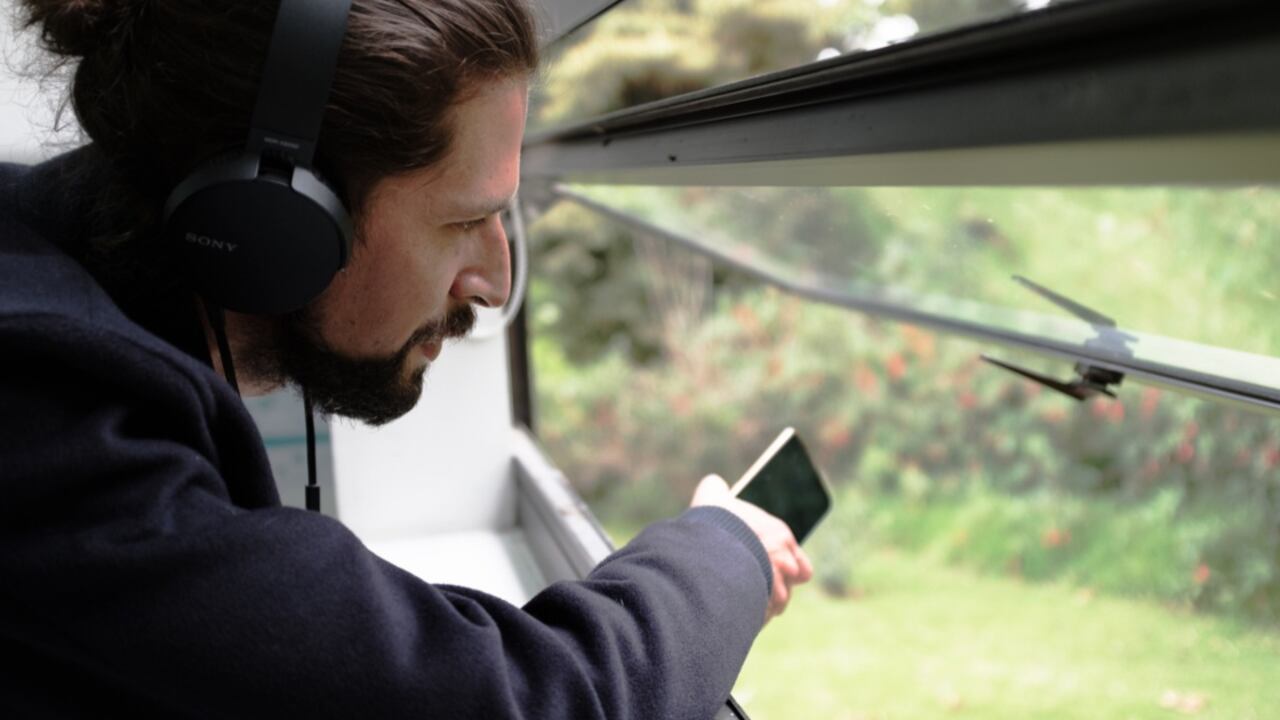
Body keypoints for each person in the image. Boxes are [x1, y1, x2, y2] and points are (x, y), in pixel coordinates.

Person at [0, 0, 814, 717]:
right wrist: (728, 544)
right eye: (464, 222)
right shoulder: (50, 416)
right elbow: (534, 705)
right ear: (277, 219)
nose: (496, 283)